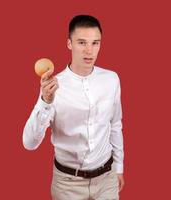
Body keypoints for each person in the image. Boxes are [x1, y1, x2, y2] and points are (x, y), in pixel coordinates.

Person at [23, 15, 124, 200]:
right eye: (81, 42)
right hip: (68, 185)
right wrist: (45, 101)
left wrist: (119, 167)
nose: (89, 50)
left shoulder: (111, 79)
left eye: (95, 43)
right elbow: (29, 143)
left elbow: (115, 124)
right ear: (69, 44)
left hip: (106, 179)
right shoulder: (54, 87)